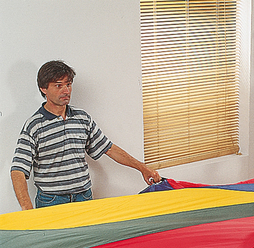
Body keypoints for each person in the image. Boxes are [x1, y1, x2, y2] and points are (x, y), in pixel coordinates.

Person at [10, 60, 161, 210]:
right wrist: (27, 209)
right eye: (58, 85)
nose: (66, 91)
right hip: (52, 202)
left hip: (84, 197)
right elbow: (18, 170)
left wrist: (143, 168)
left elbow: (109, 149)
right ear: (44, 89)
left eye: (68, 84)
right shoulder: (34, 125)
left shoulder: (82, 118)